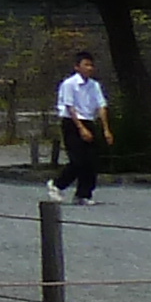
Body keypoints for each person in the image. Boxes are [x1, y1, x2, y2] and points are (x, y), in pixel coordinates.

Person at [52, 52, 111, 203]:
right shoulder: (69, 84)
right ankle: (57, 184)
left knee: (91, 161)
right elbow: (70, 106)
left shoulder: (94, 85)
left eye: (91, 65)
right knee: (78, 160)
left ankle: (83, 194)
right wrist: (81, 128)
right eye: (86, 65)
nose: (89, 68)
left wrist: (106, 129)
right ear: (77, 67)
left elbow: (101, 106)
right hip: (72, 122)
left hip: (89, 121)